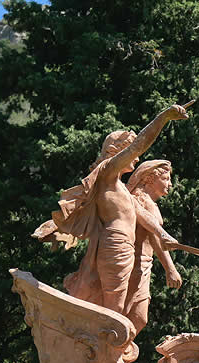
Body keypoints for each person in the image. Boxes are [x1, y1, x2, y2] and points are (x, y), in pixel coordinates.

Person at [35, 102, 190, 316]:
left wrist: (163, 234)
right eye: (129, 151)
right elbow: (140, 146)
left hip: (121, 246)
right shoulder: (107, 174)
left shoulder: (122, 189)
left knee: (118, 309)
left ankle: (103, 345)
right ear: (115, 152)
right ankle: (99, 344)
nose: (136, 158)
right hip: (116, 244)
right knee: (115, 310)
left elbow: (142, 215)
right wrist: (163, 118)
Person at [123, 160, 183, 335]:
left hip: (144, 265)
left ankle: (114, 352)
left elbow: (156, 238)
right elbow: (154, 238)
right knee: (128, 315)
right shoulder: (140, 201)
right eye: (166, 179)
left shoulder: (151, 204)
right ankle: (106, 352)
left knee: (138, 317)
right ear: (149, 179)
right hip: (133, 264)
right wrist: (170, 268)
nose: (170, 184)